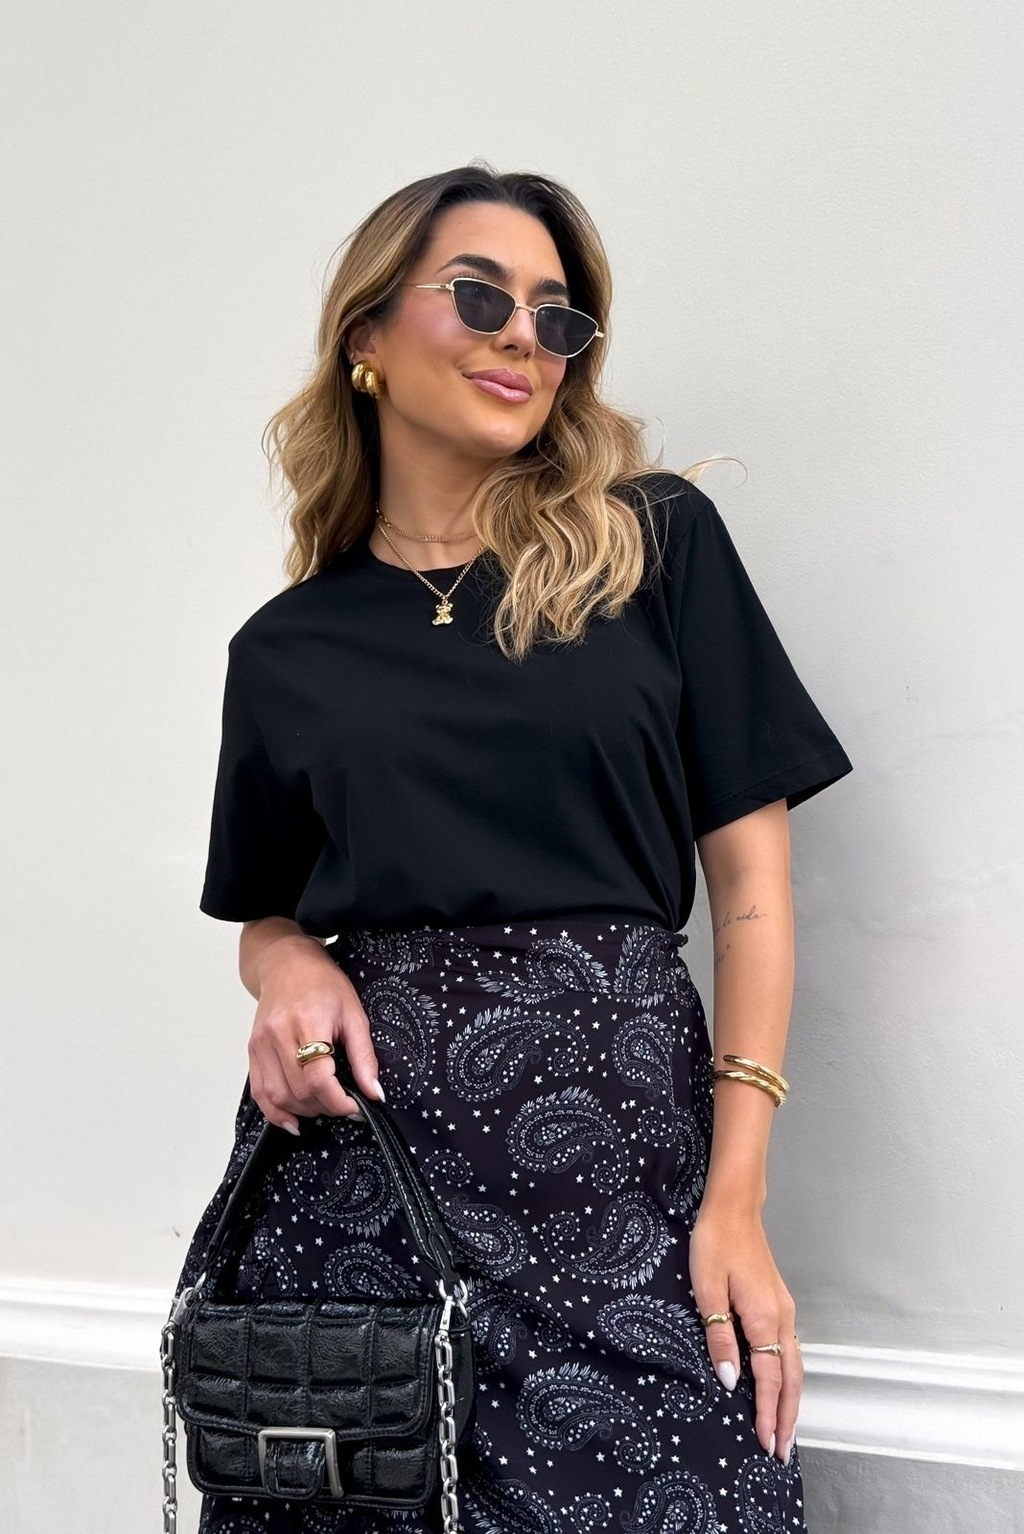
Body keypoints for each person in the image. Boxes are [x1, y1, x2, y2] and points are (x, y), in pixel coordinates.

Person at [176, 163, 852, 1534]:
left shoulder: (651, 546)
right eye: (481, 296)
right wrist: (286, 963)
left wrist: (736, 1196)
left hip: (617, 1162)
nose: (524, 338)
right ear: (366, 334)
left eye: (558, 317)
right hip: (365, 1179)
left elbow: (753, 893)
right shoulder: (287, 647)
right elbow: (266, 909)